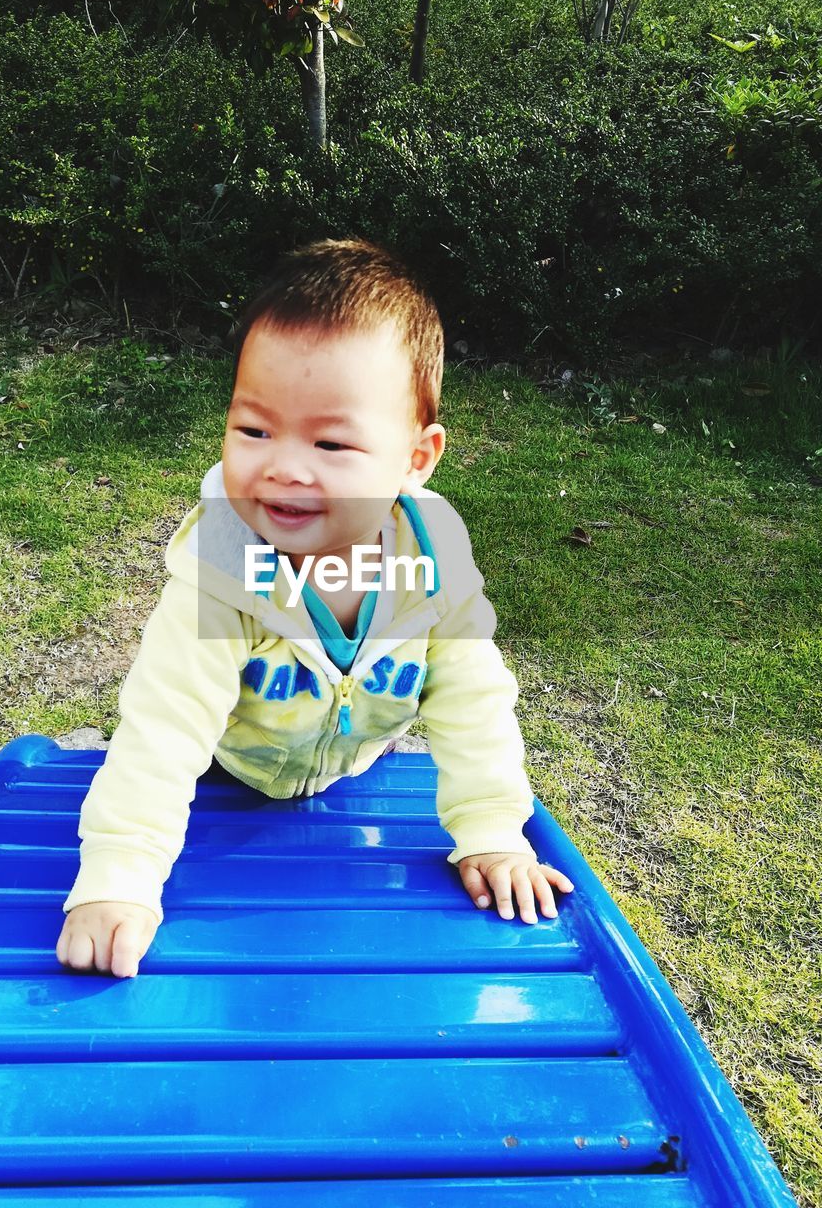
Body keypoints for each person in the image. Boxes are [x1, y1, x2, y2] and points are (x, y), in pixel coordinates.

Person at [55, 237, 574, 979]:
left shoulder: (433, 564)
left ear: (415, 460)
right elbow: (162, 732)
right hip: (229, 769)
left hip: (353, 767)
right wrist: (120, 879)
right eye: (254, 430)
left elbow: (475, 702)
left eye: (331, 442)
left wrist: (491, 831)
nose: (284, 466)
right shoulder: (222, 574)